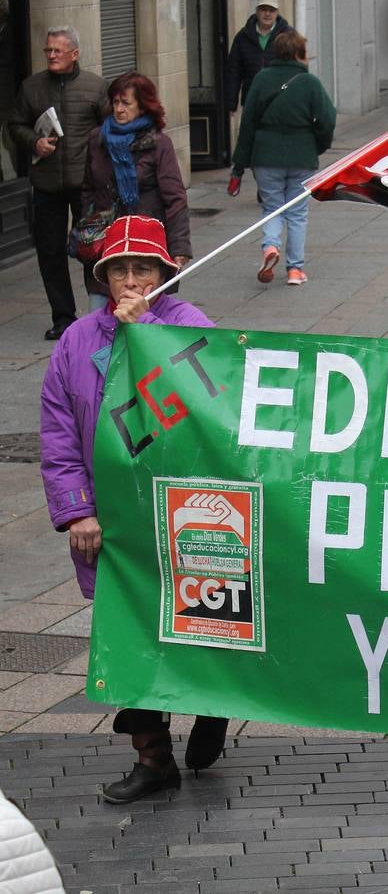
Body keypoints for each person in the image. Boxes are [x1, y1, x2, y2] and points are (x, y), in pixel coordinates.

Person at [39, 215, 229, 805]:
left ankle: (212, 705)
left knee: (201, 622)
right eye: (117, 268)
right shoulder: (77, 339)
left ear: (165, 274)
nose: (129, 279)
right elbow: (59, 428)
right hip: (112, 517)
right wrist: (77, 512)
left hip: (185, 509)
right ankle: (153, 757)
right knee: (128, 635)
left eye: (141, 267)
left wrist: (144, 332)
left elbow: (207, 399)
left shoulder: (189, 324)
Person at [7, 25, 108, 340]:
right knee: (50, 251)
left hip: (86, 185)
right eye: (48, 50)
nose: (50, 55)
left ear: (74, 54)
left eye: (57, 51)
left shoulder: (95, 87)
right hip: (47, 184)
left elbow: (110, 129)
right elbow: (15, 125)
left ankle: (99, 314)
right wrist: (33, 142)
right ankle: (63, 317)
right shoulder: (31, 87)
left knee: (93, 250)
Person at [229, 29, 336, 287]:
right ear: (300, 54)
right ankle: (295, 270)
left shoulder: (262, 79)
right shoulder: (309, 83)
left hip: (266, 156)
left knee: (272, 207)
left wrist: (239, 167)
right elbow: (327, 119)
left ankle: (270, 247)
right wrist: (317, 146)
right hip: (302, 156)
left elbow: (248, 124)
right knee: (297, 213)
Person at [81, 72, 191, 312]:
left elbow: (175, 199)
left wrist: (179, 247)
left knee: (148, 319)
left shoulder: (158, 143)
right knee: (102, 316)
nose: (119, 109)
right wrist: (88, 227)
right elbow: (87, 188)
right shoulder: (96, 139)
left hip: (146, 245)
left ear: (143, 106)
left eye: (126, 103)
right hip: (107, 245)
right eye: (115, 102)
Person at [224, 0, 291, 119]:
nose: (267, 14)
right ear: (256, 12)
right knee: (250, 136)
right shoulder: (242, 37)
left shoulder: (288, 35)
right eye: (263, 9)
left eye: (271, 10)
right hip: (251, 100)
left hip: (280, 100)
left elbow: (296, 69)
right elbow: (233, 71)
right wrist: (231, 104)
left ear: (277, 13)